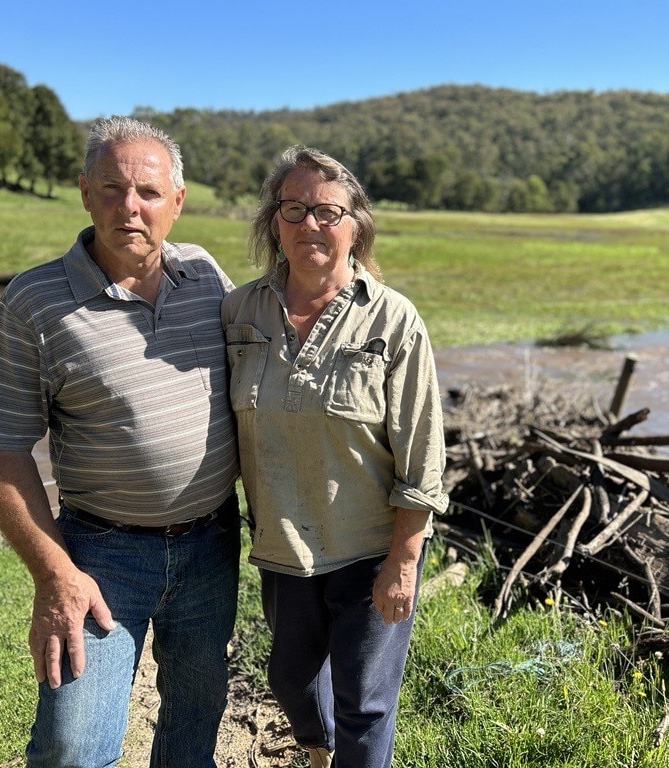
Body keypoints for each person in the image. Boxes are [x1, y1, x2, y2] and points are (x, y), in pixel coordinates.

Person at [0, 116, 241, 767]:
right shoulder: (34, 300)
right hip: (101, 553)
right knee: (73, 747)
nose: (131, 206)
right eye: (112, 187)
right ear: (85, 192)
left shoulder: (205, 276)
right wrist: (54, 572)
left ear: (177, 202)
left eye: (149, 192)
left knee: (194, 719)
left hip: (212, 543)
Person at [221, 146, 448, 768]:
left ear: (356, 225)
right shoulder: (240, 312)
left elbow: (423, 452)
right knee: (292, 683)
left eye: (328, 210)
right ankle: (318, 753)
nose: (311, 224)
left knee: (365, 704)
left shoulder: (393, 320)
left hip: (371, 548)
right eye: (293, 208)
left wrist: (404, 561)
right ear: (274, 223)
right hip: (282, 549)